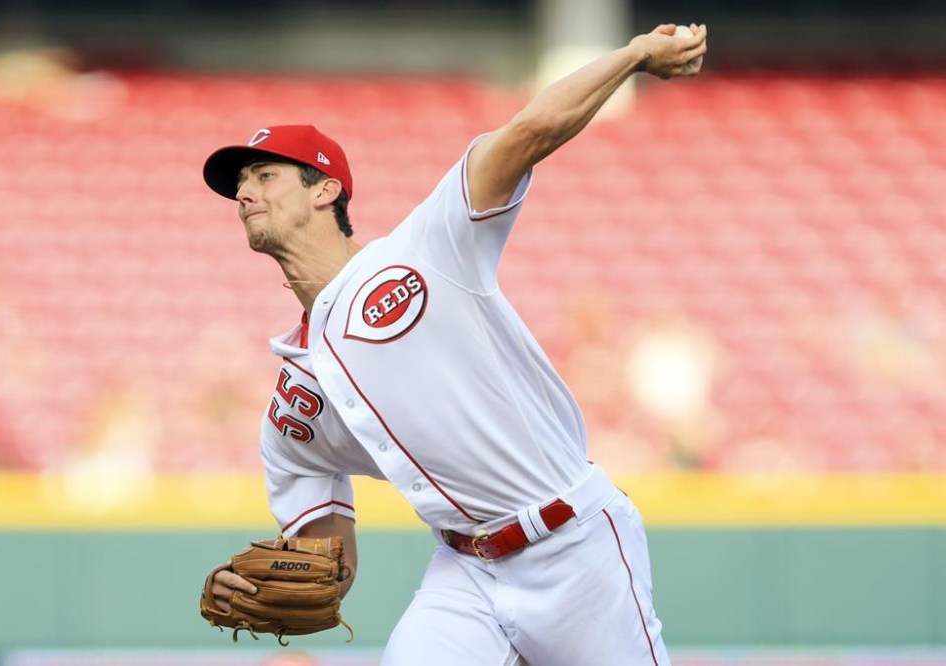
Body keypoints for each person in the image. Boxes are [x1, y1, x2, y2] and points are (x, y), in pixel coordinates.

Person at [202, 23, 708, 666]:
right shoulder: (292, 412)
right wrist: (254, 584)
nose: (244, 192)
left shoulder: (426, 249)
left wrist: (634, 55)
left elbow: (527, 133)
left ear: (324, 189)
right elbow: (328, 568)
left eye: (265, 175)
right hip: (463, 569)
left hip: (573, 545)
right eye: (239, 185)